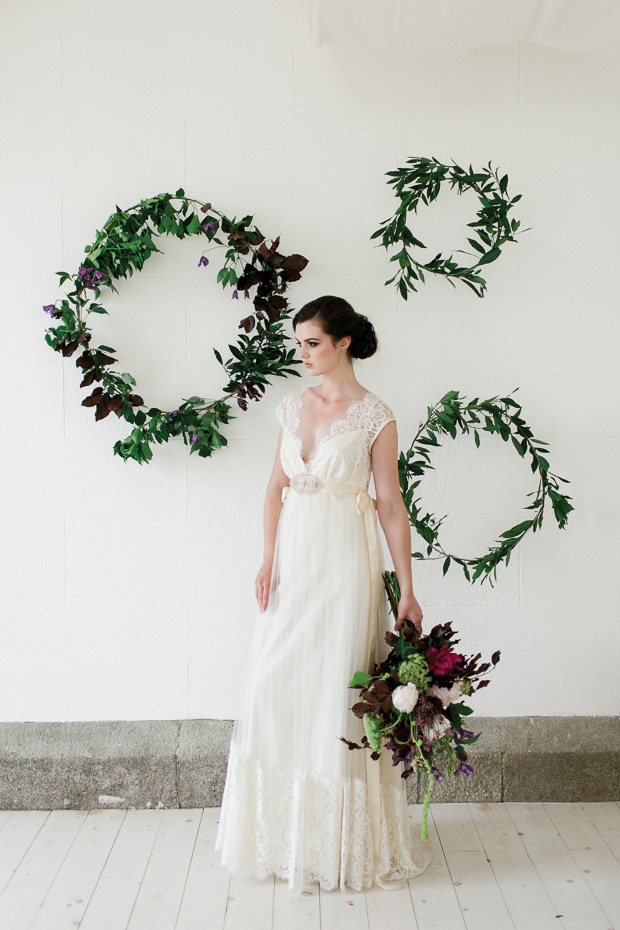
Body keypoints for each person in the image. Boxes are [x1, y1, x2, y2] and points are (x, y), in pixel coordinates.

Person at [214, 295, 432, 893]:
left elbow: (390, 504)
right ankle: (280, 839)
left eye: (312, 343)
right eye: (299, 343)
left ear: (342, 343)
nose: (302, 353)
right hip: (293, 563)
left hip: (344, 567)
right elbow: (273, 489)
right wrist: (266, 557)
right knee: (274, 686)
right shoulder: (291, 407)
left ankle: (336, 846)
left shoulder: (376, 416)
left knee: (336, 692)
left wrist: (406, 587)